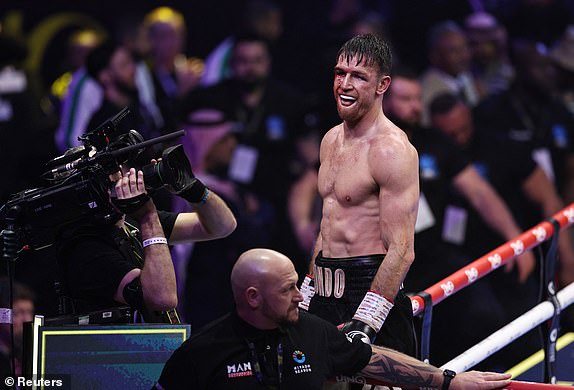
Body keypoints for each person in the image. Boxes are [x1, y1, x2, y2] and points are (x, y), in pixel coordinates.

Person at [154, 248, 512, 389]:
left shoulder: (311, 331)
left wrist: (450, 381)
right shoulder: (201, 353)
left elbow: (373, 360)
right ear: (253, 298)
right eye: (287, 290)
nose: (300, 296)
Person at [300, 34, 419, 358]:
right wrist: (307, 289)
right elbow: (327, 226)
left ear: (382, 86)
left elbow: (402, 248)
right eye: (340, 73)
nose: (345, 84)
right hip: (324, 290)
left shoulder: (391, 150)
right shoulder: (330, 140)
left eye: (359, 77)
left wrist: (368, 320)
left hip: (369, 288)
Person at [56, 148, 237, 323]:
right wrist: (148, 218)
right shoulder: (85, 247)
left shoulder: (131, 222)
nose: (119, 179)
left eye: (115, 169)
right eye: (105, 177)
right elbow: (163, 298)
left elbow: (223, 226)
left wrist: (190, 188)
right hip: (118, 351)